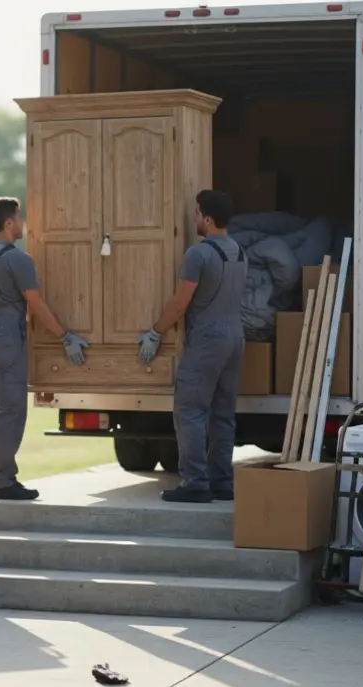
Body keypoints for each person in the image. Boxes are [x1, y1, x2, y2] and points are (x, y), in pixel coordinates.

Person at [0, 196, 89, 501]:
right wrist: (65, 336)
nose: (23, 224)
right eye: (20, 218)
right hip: (7, 336)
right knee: (9, 411)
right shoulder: (17, 259)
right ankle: (3, 482)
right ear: (9, 223)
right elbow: (35, 303)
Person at [137, 190, 245, 503]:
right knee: (223, 413)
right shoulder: (239, 251)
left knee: (190, 411)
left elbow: (180, 302)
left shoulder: (198, 254)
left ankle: (196, 483)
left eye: (197, 214)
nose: (194, 218)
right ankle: (222, 482)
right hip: (235, 337)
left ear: (208, 220)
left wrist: (155, 332)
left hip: (208, 339)